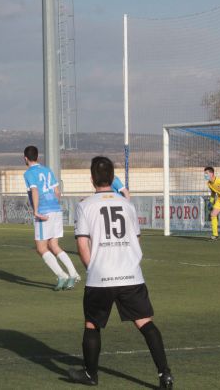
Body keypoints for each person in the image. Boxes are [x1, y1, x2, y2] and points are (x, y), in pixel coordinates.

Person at [69, 156, 173, 388]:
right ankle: (164, 374)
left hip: (100, 276)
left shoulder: (85, 205)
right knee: (146, 323)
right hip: (131, 275)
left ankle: (90, 374)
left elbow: (82, 245)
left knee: (92, 324)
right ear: (113, 179)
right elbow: (136, 238)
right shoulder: (127, 204)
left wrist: (92, 269)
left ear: (92, 179)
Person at [23, 145, 80, 291]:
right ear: (37, 157)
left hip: (44, 212)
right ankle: (73, 273)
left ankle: (62, 275)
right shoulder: (47, 170)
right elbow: (57, 191)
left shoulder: (29, 173)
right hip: (56, 209)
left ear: (25, 158)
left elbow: (35, 191)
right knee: (54, 246)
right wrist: (54, 205)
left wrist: (36, 211)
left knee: (41, 248)